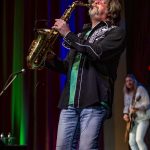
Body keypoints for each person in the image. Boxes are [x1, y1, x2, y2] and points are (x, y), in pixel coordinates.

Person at [45, 0, 126, 149]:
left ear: (111, 10)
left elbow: (97, 52)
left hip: (94, 101)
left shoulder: (115, 32)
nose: (94, 1)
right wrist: (48, 58)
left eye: (101, 1)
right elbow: (67, 67)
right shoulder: (82, 35)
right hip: (69, 103)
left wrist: (68, 34)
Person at [123, 74, 150, 150]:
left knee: (139, 140)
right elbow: (126, 106)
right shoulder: (127, 93)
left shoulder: (140, 89)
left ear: (134, 81)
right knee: (131, 142)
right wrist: (125, 114)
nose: (128, 82)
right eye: (126, 81)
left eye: (130, 80)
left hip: (143, 118)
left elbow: (147, 104)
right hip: (133, 120)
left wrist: (137, 108)